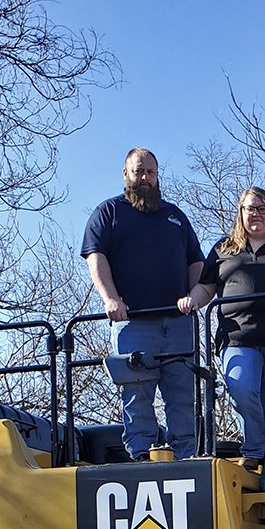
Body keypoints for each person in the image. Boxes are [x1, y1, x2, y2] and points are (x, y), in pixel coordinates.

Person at [181, 187, 265, 491]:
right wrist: (191, 300)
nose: (255, 214)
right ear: (240, 213)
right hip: (236, 338)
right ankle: (254, 446)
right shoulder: (224, 248)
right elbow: (206, 287)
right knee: (241, 388)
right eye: (249, 208)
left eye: (261, 208)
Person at [81, 148, 204, 461]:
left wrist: (193, 294)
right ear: (126, 174)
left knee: (182, 397)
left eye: (150, 172)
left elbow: (196, 262)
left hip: (178, 324)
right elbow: (96, 256)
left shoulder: (175, 216)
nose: (145, 178)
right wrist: (110, 298)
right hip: (133, 323)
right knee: (137, 396)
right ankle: (141, 456)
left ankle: (185, 458)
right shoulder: (108, 213)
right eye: (138, 172)